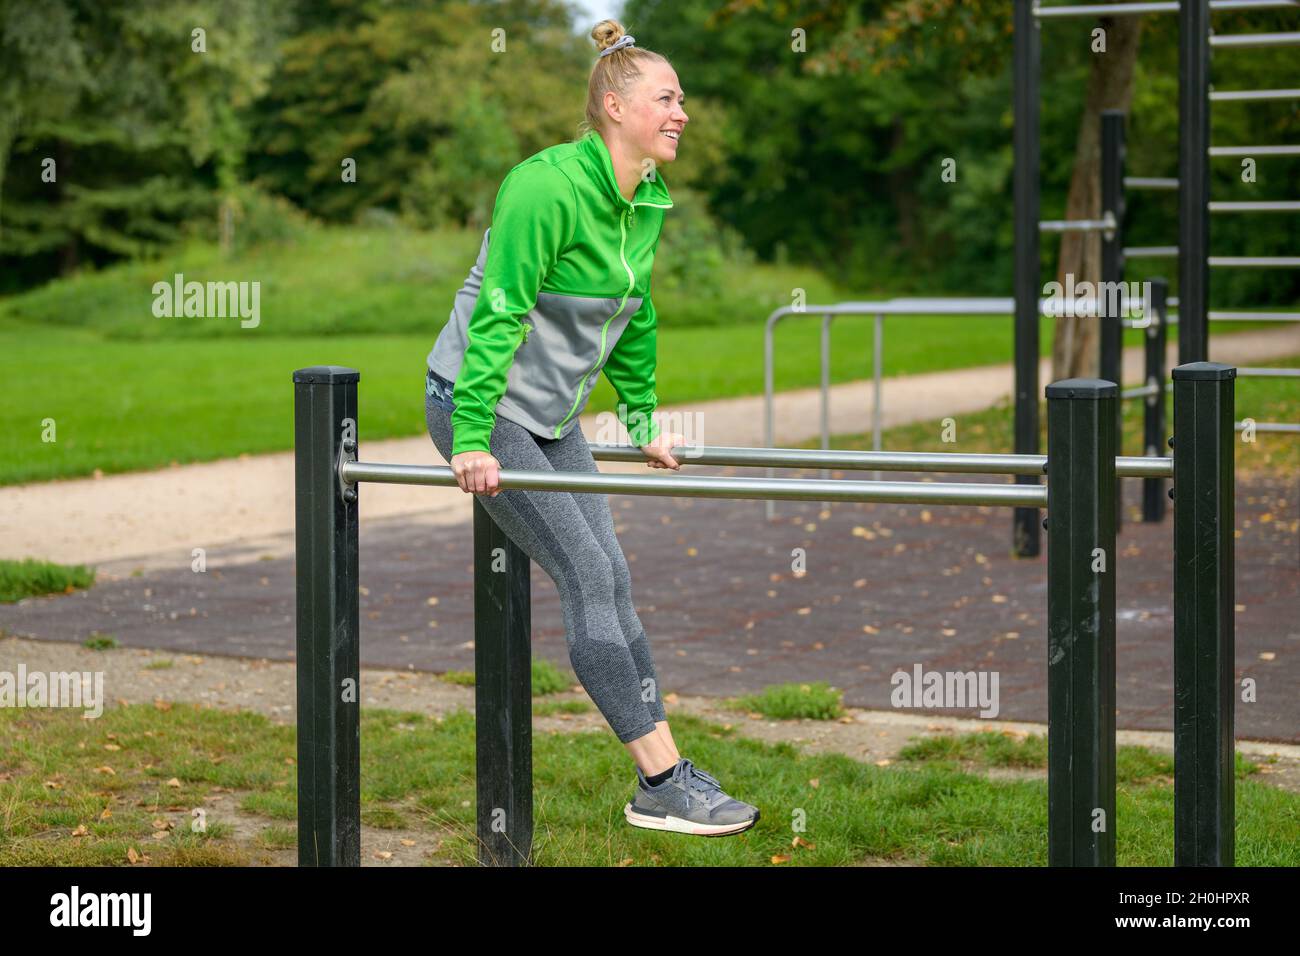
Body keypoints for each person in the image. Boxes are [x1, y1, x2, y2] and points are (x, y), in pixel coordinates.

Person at [424, 20, 758, 837]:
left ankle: (665, 778)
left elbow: (634, 315)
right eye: (667, 98)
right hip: (484, 403)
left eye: (682, 99)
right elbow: (500, 313)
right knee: (584, 574)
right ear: (615, 104)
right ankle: (663, 778)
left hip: (553, 416)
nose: (684, 111)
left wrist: (641, 417)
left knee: (612, 575)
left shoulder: (643, 196)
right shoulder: (544, 187)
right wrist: (470, 436)